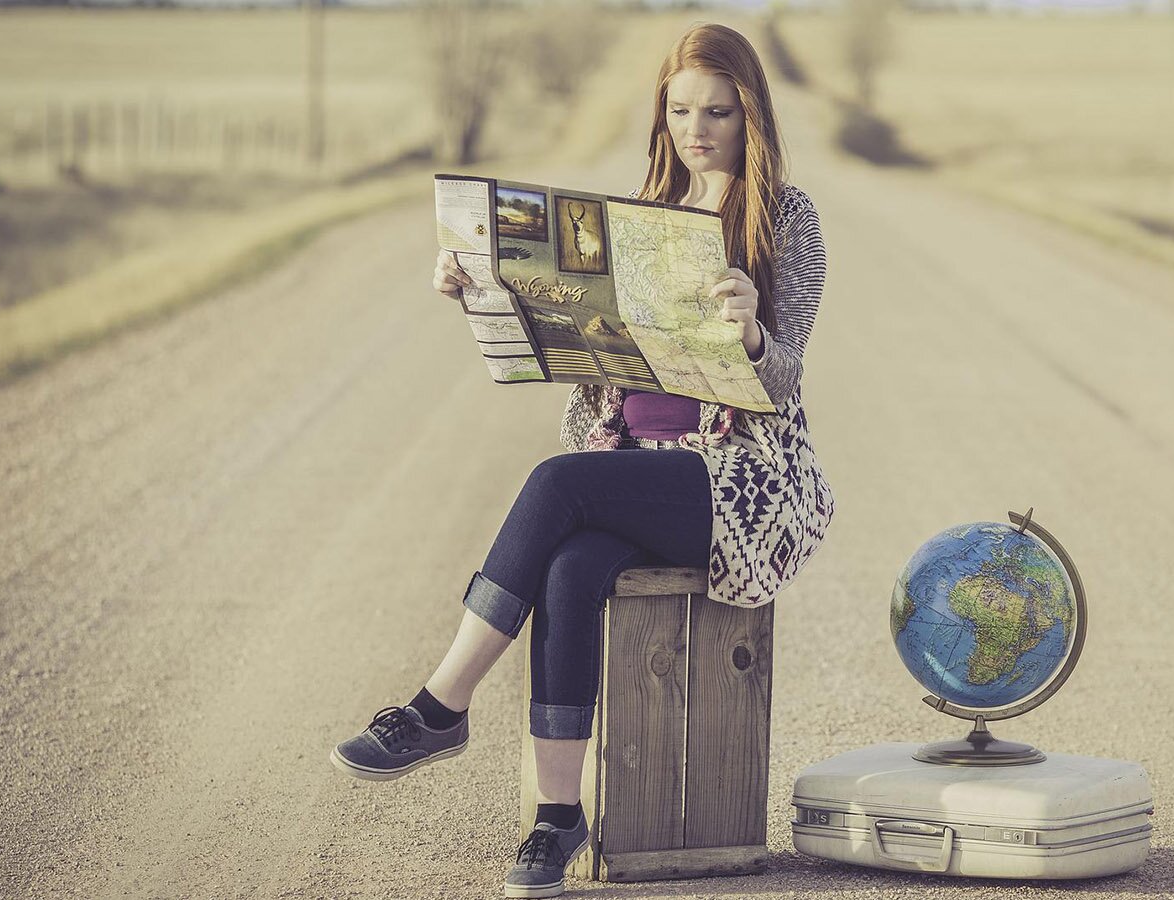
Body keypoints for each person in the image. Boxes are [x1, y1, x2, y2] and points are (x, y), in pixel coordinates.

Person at [329, 21, 834, 900]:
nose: (698, 129)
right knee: (569, 567)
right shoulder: (640, 215)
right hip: (630, 459)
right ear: (662, 116)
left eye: (718, 111)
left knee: (554, 483)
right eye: (681, 110)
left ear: (751, 115)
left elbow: (787, 375)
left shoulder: (787, 219)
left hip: (736, 481)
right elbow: (568, 328)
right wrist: (477, 285)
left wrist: (752, 330)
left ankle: (440, 704)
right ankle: (557, 818)